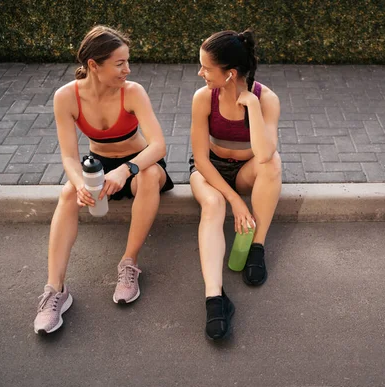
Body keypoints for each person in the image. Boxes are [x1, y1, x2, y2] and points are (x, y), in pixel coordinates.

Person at [33, 25, 174, 335]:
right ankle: (55, 290)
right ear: (94, 65)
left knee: (150, 175)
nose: (128, 69)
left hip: (140, 165)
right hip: (100, 167)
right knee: (68, 194)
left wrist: (127, 169)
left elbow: (159, 146)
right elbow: (70, 157)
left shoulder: (133, 91)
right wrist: (81, 184)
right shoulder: (66, 97)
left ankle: (129, 265)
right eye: (120, 63)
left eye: (127, 61)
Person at [189, 29, 282, 340]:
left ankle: (257, 247)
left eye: (206, 67)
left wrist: (252, 106)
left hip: (245, 170)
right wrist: (235, 201)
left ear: (229, 74)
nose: (200, 72)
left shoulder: (266, 100)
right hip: (209, 172)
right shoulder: (203, 98)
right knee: (214, 204)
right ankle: (215, 299)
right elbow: (200, 159)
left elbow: (265, 153)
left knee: (273, 164)